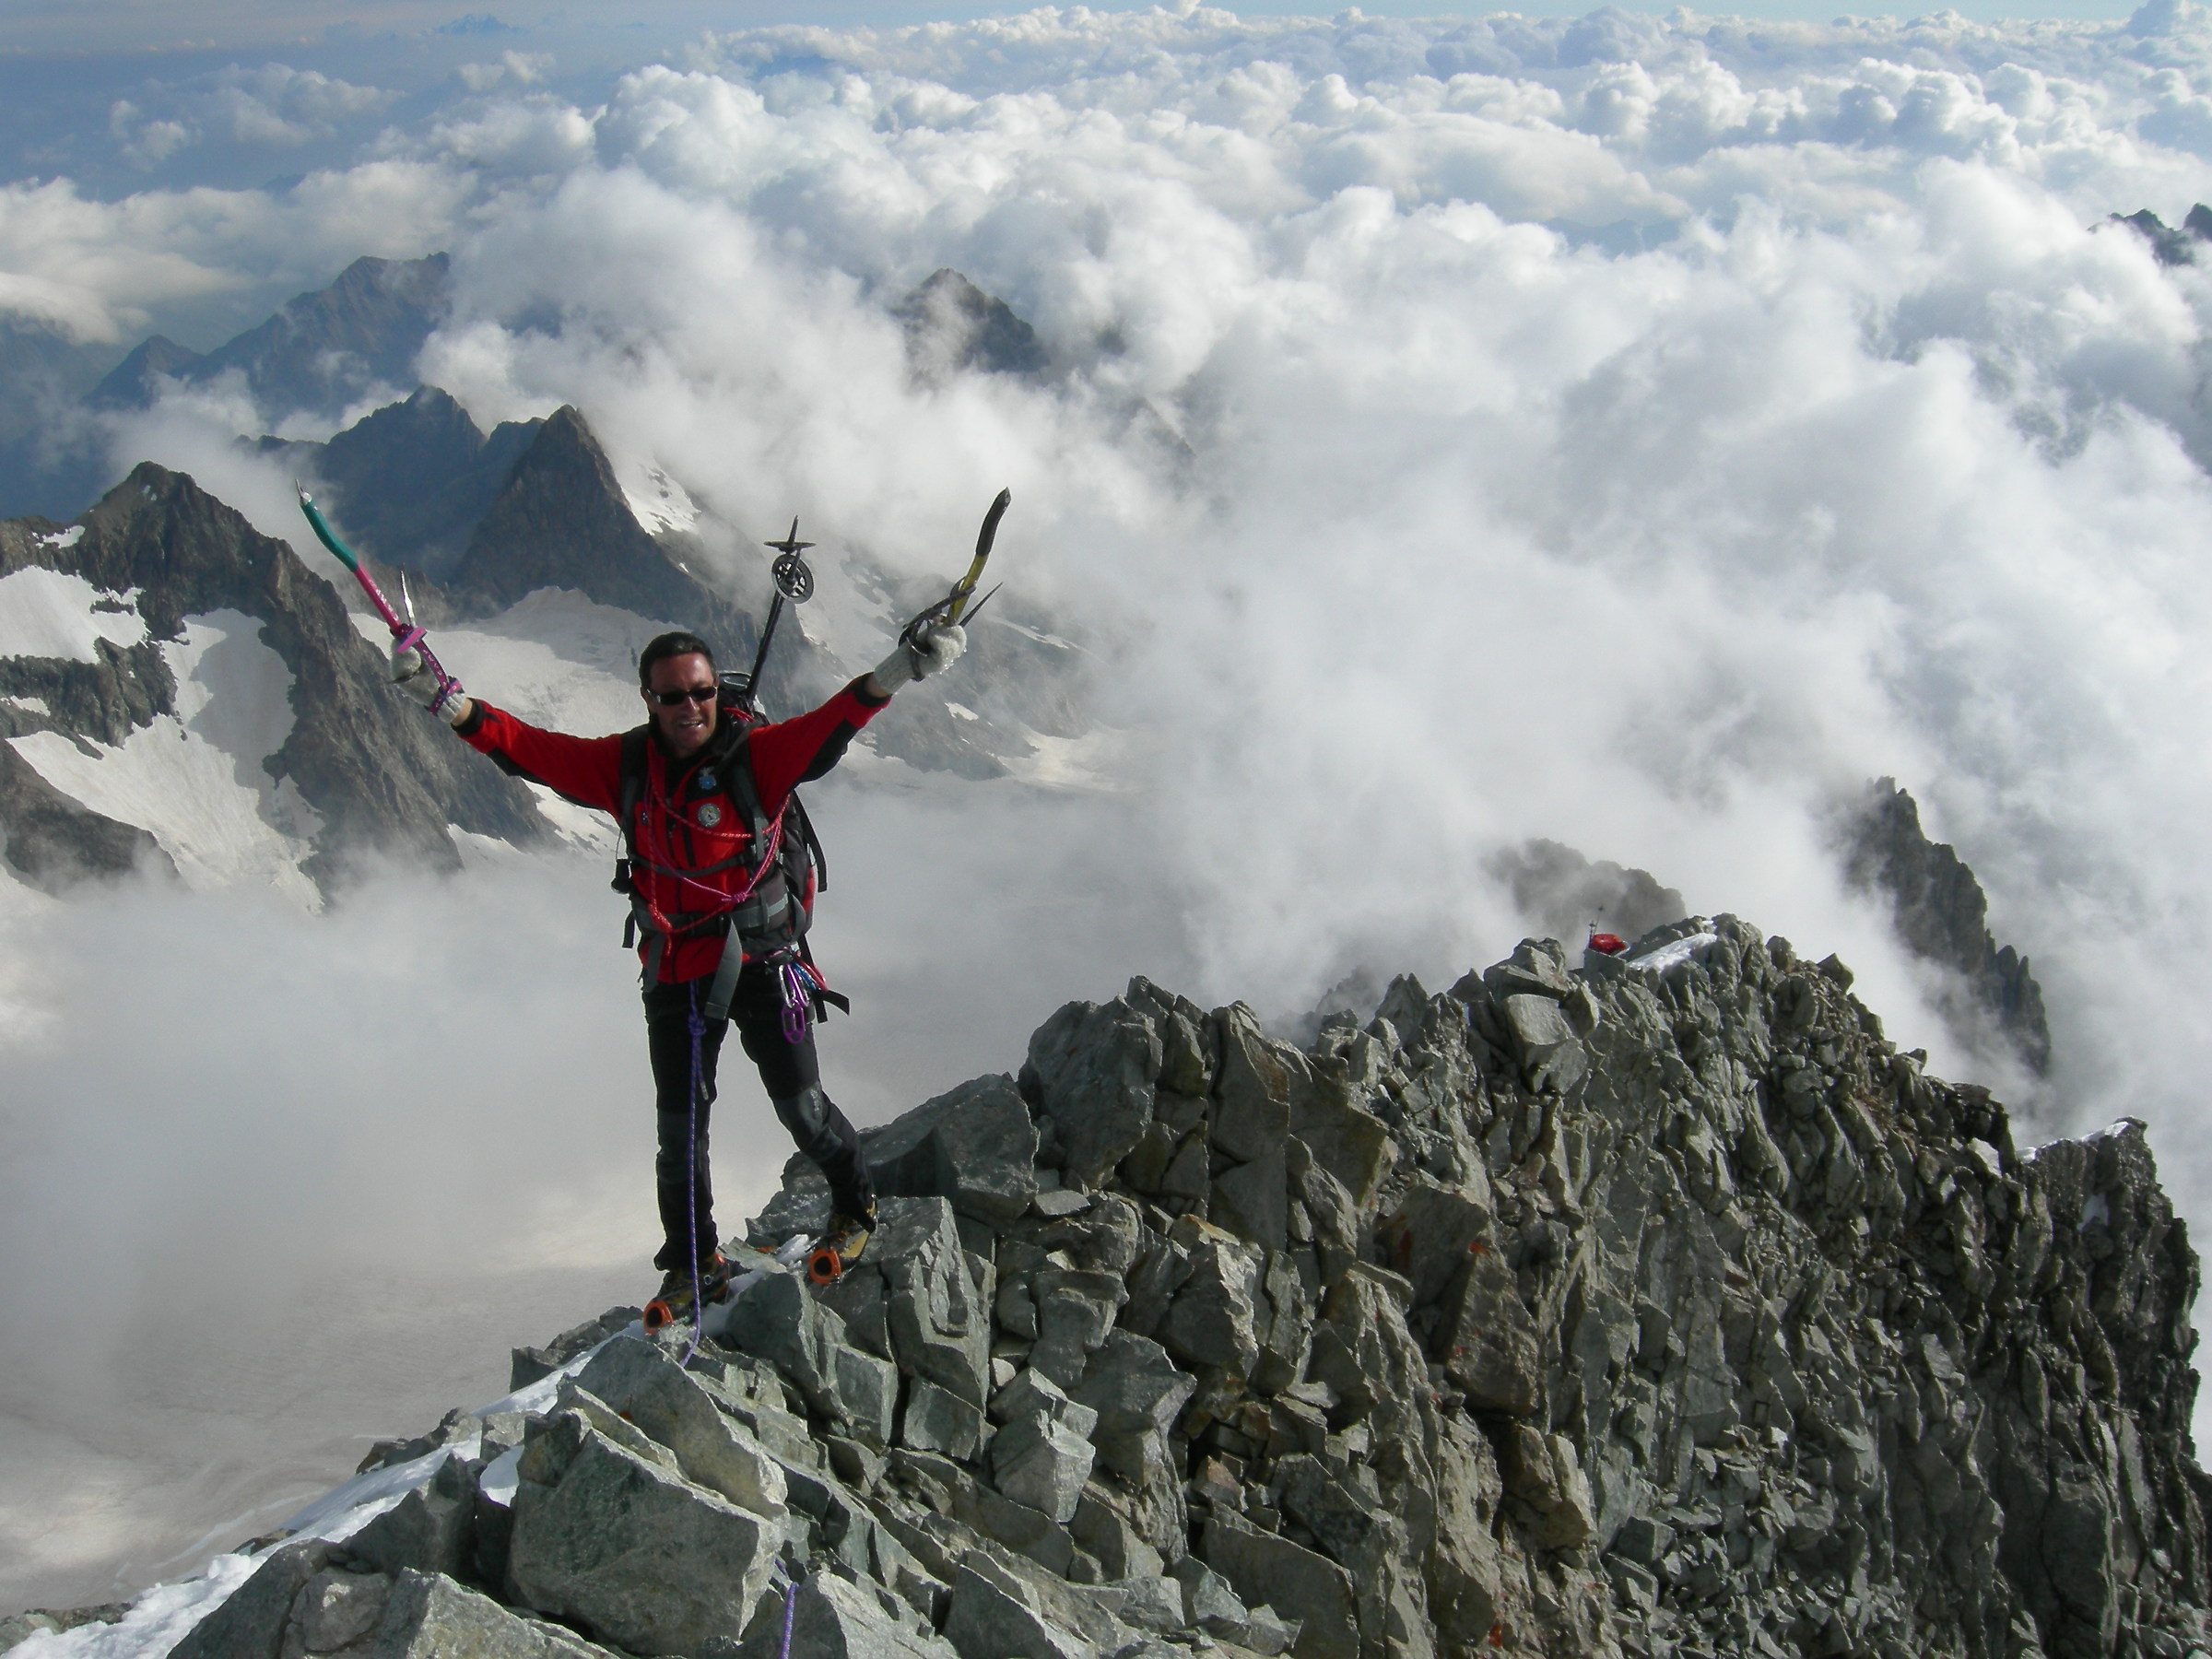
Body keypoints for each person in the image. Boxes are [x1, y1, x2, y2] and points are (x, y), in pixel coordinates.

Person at [390, 618, 967, 1325]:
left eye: (700, 693)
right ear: (647, 700)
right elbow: (529, 752)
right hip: (677, 969)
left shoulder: (757, 756)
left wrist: (903, 665)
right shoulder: (624, 767)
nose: (690, 708)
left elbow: (834, 722)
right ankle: (694, 1263)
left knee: (802, 1107)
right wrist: (447, 702)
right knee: (680, 1128)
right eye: (672, 698)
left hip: (763, 960)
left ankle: (856, 1203)